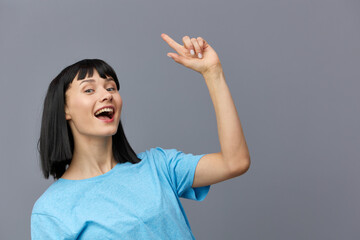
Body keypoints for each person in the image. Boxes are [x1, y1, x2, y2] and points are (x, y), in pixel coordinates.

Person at [31, 33, 251, 239]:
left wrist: (213, 73)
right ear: (64, 110)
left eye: (111, 88)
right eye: (89, 90)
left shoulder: (159, 166)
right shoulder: (51, 210)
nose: (106, 95)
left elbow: (235, 162)